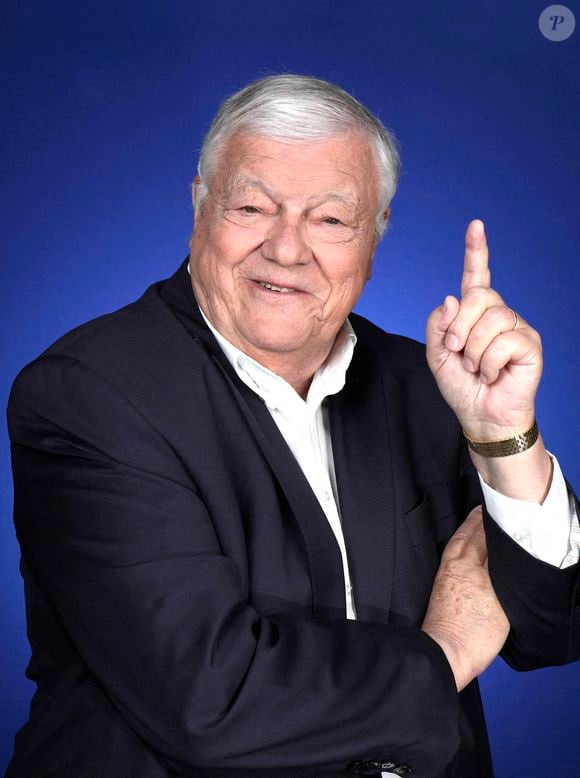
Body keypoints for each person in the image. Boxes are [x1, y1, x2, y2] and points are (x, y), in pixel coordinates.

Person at [6, 74, 580, 778]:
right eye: (252, 207)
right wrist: (448, 652)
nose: (286, 248)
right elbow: (211, 701)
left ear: (375, 237)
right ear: (199, 205)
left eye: (331, 220)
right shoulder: (89, 395)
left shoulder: (432, 385)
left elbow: (553, 631)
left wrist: (503, 437)